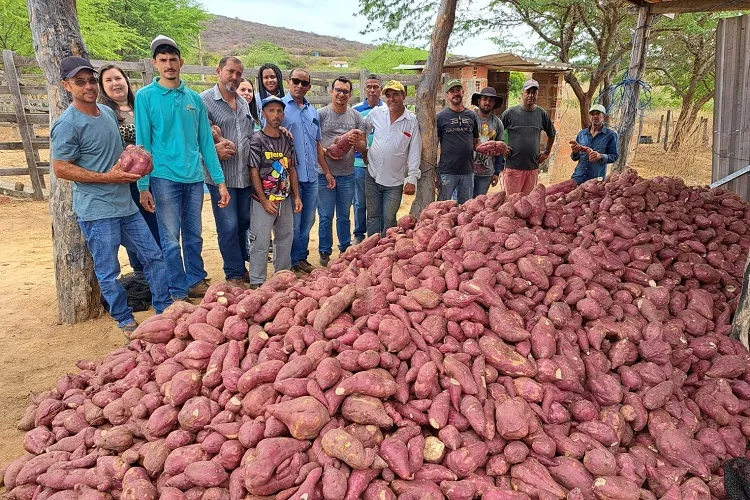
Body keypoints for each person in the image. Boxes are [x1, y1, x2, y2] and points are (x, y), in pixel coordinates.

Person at [50, 56, 171, 333]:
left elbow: (116, 156)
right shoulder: (67, 124)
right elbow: (60, 169)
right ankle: (124, 319)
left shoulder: (105, 114)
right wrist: (108, 178)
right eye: (80, 82)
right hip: (97, 211)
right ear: (67, 86)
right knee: (108, 270)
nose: (88, 86)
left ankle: (164, 307)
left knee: (154, 256)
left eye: (91, 80)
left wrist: (136, 158)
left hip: (125, 206)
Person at [135, 35, 230, 300]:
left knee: (194, 235)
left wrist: (220, 182)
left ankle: (196, 280)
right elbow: (143, 143)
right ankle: (177, 289)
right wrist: (143, 185)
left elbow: (206, 144)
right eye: (163, 60)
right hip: (163, 177)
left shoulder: (194, 99)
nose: (169, 65)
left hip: (193, 178)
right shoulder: (145, 97)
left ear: (181, 62)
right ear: (155, 63)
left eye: (173, 60)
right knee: (169, 239)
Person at [98, 64, 161, 273]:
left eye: (118, 78)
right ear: (102, 87)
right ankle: (141, 271)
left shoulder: (141, 107)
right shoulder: (104, 113)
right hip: (124, 180)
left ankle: (160, 268)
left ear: (126, 80)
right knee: (134, 226)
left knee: (155, 224)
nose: (115, 83)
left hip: (152, 176)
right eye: (108, 80)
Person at [200, 56, 255, 288]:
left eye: (238, 73)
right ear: (218, 71)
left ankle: (240, 264)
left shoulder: (243, 103)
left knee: (243, 222)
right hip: (220, 177)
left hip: (243, 175)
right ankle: (233, 273)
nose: (234, 77)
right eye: (230, 71)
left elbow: (251, 135)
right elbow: (195, 140)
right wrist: (214, 150)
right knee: (228, 225)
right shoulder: (204, 101)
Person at [282, 68, 335, 274]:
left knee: (308, 220)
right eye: (296, 81)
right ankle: (290, 261)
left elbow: (317, 145)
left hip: (312, 175)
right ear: (289, 82)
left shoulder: (313, 112)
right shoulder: (280, 109)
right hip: (291, 176)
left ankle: (301, 258)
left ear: (309, 87)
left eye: (304, 83)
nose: (299, 86)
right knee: (293, 223)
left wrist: (327, 172)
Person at [247, 96, 302, 286]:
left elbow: (292, 168)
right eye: (271, 110)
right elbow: (253, 170)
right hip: (263, 200)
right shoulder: (257, 139)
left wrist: (296, 196)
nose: (276, 115)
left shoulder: (287, 139)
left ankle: (282, 277)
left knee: (285, 239)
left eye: (279, 111)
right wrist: (263, 200)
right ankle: (257, 280)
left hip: (284, 199)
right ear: (263, 113)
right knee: (260, 241)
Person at [318, 76, 367, 266]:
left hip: (347, 174)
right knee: (325, 215)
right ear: (331, 92)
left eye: (345, 91)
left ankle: (344, 249)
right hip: (324, 174)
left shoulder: (355, 116)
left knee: (344, 215)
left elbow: (363, 145)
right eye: (338, 90)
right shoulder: (321, 114)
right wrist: (325, 152)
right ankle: (324, 251)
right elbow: (314, 144)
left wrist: (358, 143)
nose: (341, 94)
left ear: (350, 95)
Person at [364, 80, 421, 236]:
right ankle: (372, 252)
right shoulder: (376, 113)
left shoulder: (411, 121)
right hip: (372, 175)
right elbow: (363, 129)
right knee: (373, 217)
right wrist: (364, 150)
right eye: (388, 96)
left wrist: (412, 178)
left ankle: (386, 252)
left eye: (395, 94)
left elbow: (415, 150)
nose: (391, 99)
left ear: (403, 96)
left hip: (394, 181)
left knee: (389, 220)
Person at [500, 79, 556, 195]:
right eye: (528, 92)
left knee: (528, 202)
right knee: (510, 202)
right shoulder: (510, 113)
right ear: (522, 93)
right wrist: (502, 148)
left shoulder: (541, 114)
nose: (531, 95)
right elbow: (496, 132)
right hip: (513, 168)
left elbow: (552, 133)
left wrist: (546, 152)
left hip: (532, 168)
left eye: (534, 93)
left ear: (537, 95)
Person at [352, 74, 384, 244]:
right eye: (369, 87)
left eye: (376, 87)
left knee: (377, 200)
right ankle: (359, 234)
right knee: (360, 201)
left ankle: (378, 234)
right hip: (359, 163)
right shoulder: (356, 110)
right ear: (364, 89)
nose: (372, 90)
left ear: (381, 89)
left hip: (380, 164)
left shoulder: (386, 109)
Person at [437, 79, 480, 204]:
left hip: (467, 170)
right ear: (447, 95)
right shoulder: (441, 117)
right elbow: (436, 143)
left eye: (458, 90)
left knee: (465, 208)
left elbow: (476, 142)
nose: (456, 94)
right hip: (447, 171)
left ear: (463, 92)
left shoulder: (472, 116)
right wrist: (435, 171)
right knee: (442, 207)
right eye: (452, 91)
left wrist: (491, 148)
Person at [470, 86, 509, 197]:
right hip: (468, 171)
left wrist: (496, 172)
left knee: (479, 204)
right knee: (464, 205)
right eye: (485, 99)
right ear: (479, 101)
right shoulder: (470, 118)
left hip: (486, 173)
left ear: (494, 103)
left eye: (491, 100)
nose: (487, 102)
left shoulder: (498, 123)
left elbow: (500, 150)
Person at [570, 104, 619, 184]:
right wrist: (575, 152)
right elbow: (575, 158)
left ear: (604, 116)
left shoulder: (611, 135)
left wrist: (601, 156)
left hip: (595, 181)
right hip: (578, 178)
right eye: (593, 114)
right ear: (589, 116)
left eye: (598, 113)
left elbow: (614, 156)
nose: (595, 116)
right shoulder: (582, 134)